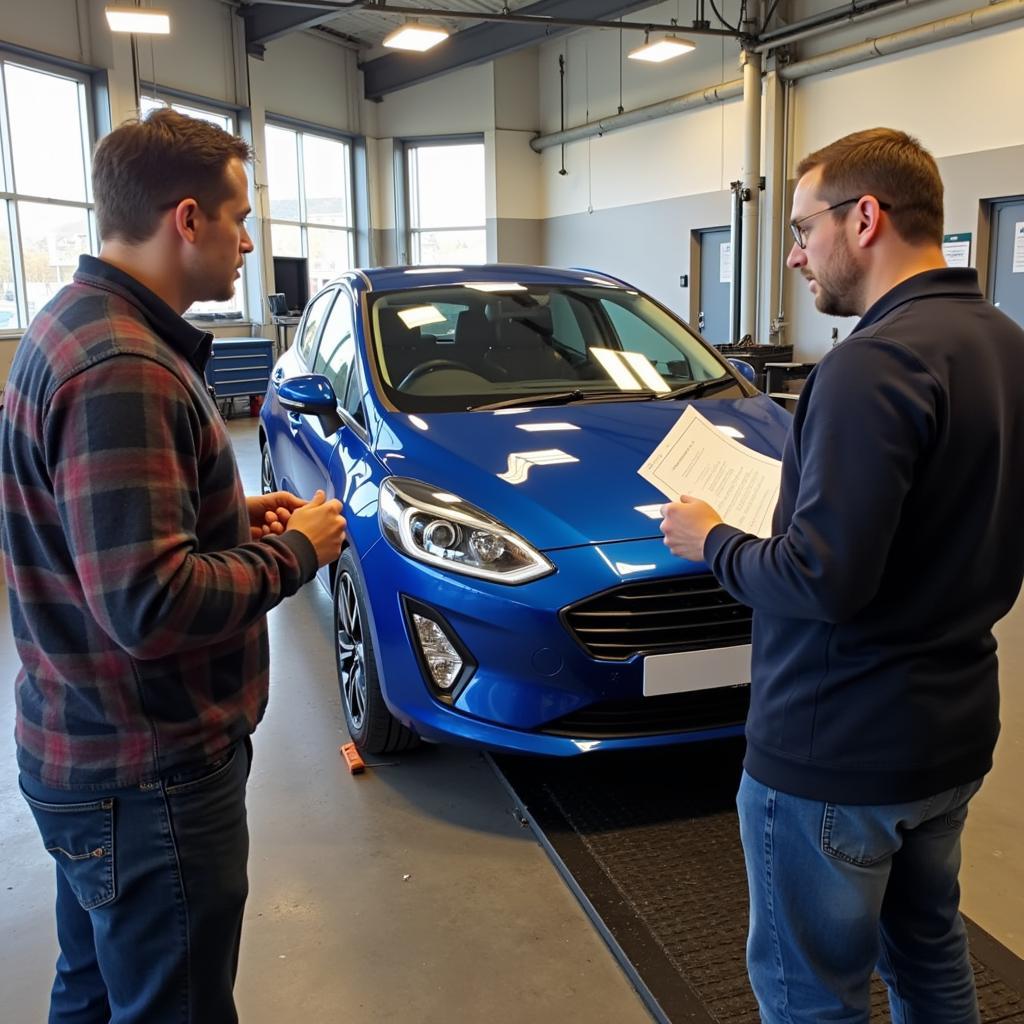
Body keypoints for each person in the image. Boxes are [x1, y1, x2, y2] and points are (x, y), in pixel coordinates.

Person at [660, 127, 1024, 1022]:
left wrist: (713, 540)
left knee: (810, 992)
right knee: (930, 958)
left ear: (865, 217)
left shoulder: (872, 364)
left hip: (839, 749)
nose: (792, 254)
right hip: (950, 731)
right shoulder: (1004, 344)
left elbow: (823, 579)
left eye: (801, 227)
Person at [0, 109, 346, 1023]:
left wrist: (231, 517)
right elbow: (150, 604)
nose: (247, 241)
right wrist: (293, 551)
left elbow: (110, 550)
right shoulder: (125, 366)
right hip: (146, 775)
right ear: (185, 219)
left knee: (91, 993)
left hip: (90, 753)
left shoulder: (81, 326)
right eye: (238, 217)